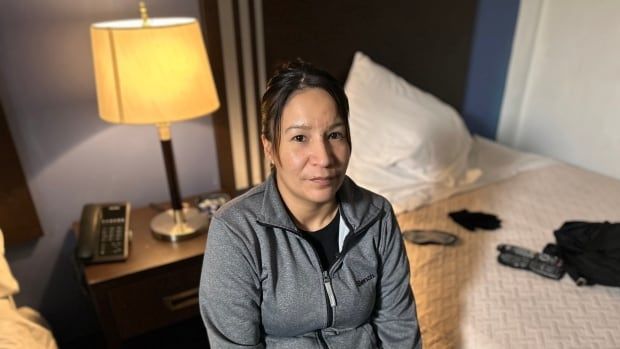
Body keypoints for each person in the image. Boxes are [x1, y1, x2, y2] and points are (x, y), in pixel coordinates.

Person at [199, 59, 422, 348]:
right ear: (269, 147)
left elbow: (398, 326)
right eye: (300, 138)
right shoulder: (236, 231)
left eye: (334, 135)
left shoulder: (377, 216)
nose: (324, 158)